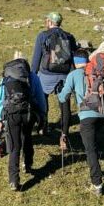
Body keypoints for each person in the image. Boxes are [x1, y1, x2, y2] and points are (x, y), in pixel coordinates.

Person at [57, 50, 104, 196]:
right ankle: (98, 169)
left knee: (90, 150)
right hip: (102, 114)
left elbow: (63, 97)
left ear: (75, 61)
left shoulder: (74, 74)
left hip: (86, 117)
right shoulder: (97, 71)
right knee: (94, 145)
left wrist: (59, 91)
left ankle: (97, 184)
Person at [0, 58, 46, 191]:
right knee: (27, 137)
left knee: (14, 146)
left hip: (12, 115)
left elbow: (1, 100)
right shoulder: (32, 76)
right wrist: (42, 114)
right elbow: (39, 96)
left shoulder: (6, 78)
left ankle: (14, 180)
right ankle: (28, 165)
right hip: (28, 113)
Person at [30, 12, 77, 143]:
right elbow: (73, 58)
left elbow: (36, 58)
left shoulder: (42, 36)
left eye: (47, 20)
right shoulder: (69, 36)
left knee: (42, 100)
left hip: (46, 75)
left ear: (50, 22)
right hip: (64, 75)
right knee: (64, 103)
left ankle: (43, 126)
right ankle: (64, 134)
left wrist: (32, 75)